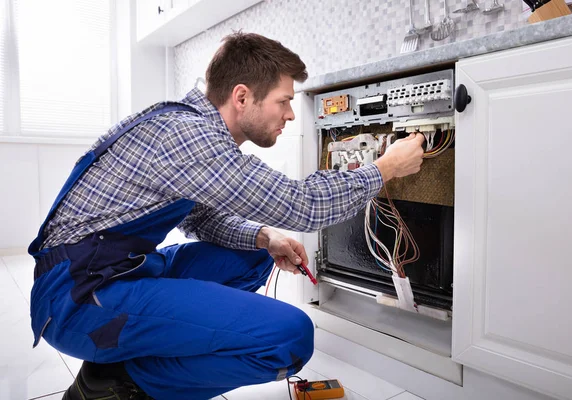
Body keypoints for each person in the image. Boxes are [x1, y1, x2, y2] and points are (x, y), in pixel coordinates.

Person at [28, 32, 425, 400]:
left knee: (255, 253)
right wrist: (384, 168)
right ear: (241, 97)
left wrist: (265, 238)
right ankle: (117, 383)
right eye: (283, 100)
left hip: (115, 271)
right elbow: (302, 204)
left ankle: (142, 348)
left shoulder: (188, 124)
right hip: (75, 299)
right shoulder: (188, 136)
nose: (289, 114)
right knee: (290, 337)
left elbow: (198, 219)